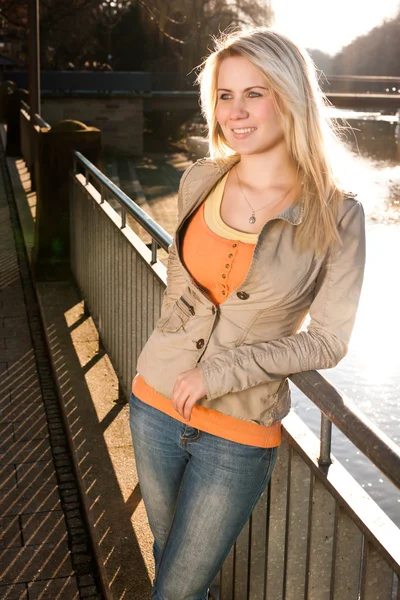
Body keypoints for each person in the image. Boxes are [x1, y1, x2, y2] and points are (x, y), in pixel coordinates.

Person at [129, 26, 366, 600]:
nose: (235, 112)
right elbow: (180, 285)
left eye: (254, 93)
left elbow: (329, 340)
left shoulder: (338, 215)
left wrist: (217, 372)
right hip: (153, 403)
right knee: (171, 562)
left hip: (237, 431)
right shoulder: (200, 179)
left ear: (290, 96)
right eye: (225, 95)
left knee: (177, 589)